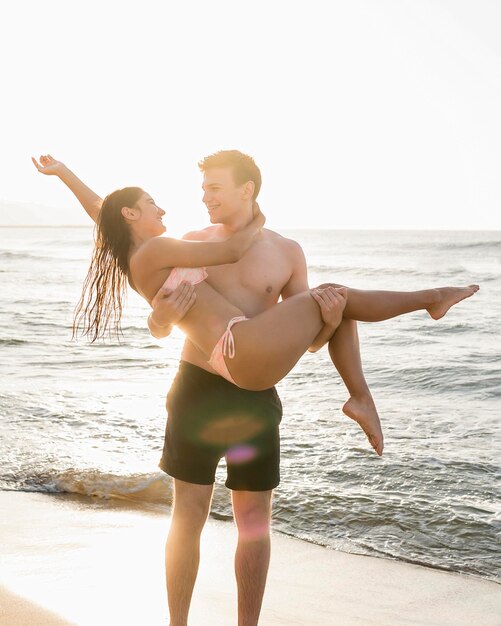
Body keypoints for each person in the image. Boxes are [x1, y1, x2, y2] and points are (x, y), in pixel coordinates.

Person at [33, 152, 478, 626]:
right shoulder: (181, 244)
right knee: (187, 519)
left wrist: (325, 322)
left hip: (254, 383)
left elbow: (309, 342)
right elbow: (118, 220)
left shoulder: (283, 252)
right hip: (203, 384)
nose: (197, 199)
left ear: (246, 189)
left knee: (333, 303)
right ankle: (418, 315)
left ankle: (362, 393)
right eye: (195, 191)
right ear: (133, 215)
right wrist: (159, 318)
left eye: (213, 188)